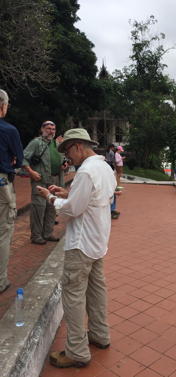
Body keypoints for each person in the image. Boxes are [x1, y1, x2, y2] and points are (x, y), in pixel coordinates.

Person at [34, 128, 114, 368]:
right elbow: (97, 198)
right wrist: (69, 193)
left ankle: (77, 351)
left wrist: (51, 197)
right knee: (97, 290)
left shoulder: (86, 171)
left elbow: (72, 210)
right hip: (98, 241)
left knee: (74, 296)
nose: (68, 157)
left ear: (78, 146)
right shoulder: (104, 168)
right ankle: (100, 334)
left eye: (68, 150)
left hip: (81, 244)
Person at [0, 89, 43, 294]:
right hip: (2, 184)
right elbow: (18, 157)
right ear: (3, 106)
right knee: (3, 231)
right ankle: (0, 280)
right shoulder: (8, 130)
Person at [23, 120, 62, 244]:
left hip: (55, 181)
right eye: (48, 128)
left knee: (51, 208)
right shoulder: (36, 143)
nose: (51, 131)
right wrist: (31, 172)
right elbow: (23, 158)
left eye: (53, 129)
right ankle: (36, 236)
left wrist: (65, 163)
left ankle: (47, 233)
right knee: (38, 208)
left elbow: (62, 159)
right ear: (42, 129)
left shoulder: (57, 144)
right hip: (40, 181)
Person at [108, 145, 124, 219]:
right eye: (120, 150)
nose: (121, 151)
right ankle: (111, 210)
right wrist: (121, 159)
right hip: (110, 189)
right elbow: (116, 161)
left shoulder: (116, 154)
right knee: (118, 176)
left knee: (119, 176)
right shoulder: (115, 154)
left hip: (112, 188)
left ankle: (112, 210)